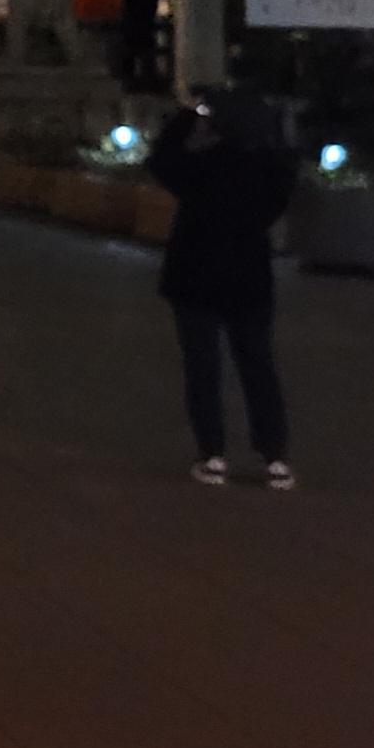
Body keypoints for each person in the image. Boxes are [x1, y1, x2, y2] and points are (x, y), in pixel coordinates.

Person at [146, 88, 300, 488]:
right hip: (249, 277)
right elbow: (288, 165)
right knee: (258, 365)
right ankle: (274, 456)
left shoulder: (200, 168)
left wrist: (187, 115)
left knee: (203, 367)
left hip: (194, 275)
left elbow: (160, 160)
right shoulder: (269, 172)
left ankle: (213, 453)